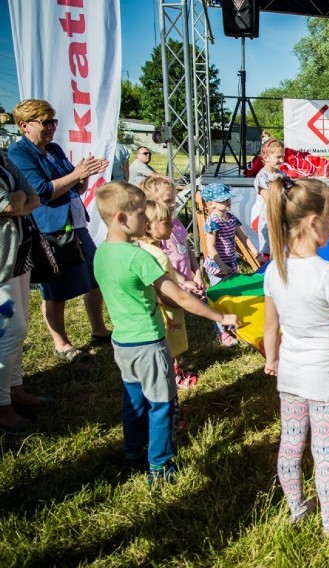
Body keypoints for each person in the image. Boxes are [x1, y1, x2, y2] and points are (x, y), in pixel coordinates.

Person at [93, 181, 238, 483]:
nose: (146, 221)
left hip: (123, 343)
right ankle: (160, 466)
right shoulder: (138, 257)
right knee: (162, 404)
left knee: (134, 401)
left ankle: (133, 453)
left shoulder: (102, 253)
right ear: (121, 218)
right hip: (149, 342)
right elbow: (180, 297)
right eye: (141, 215)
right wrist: (220, 316)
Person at [262, 177, 329, 533]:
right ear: (313, 223)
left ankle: (297, 509)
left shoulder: (273, 270)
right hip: (325, 378)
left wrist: (271, 359)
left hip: (290, 376)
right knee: (325, 452)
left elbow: (270, 328)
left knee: (290, 444)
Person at [7, 99, 111, 362]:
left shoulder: (53, 148)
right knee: (55, 289)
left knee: (95, 277)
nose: (52, 127)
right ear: (24, 125)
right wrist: (77, 174)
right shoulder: (19, 154)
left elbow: (75, 187)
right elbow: (41, 192)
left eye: (54, 121)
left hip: (76, 224)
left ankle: (99, 330)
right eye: (45, 122)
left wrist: (84, 174)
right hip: (49, 229)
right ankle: (62, 344)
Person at [0, 149, 46, 435]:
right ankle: (2, 405)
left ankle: (15, 388)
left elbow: (32, 195)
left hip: (17, 255)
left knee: (22, 325)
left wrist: (16, 200)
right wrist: (15, 200)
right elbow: (7, 203)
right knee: (11, 330)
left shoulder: (3, 157)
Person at [137, 199, 196, 389]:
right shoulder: (159, 256)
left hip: (158, 309)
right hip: (166, 311)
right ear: (148, 227)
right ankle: (174, 378)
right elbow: (162, 293)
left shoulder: (144, 249)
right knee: (171, 346)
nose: (172, 225)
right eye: (166, 222)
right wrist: (185, 301)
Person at [201, 182, 261, 346]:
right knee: (219, 298)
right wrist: (221, 266)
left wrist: (257, 254)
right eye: (222, 200)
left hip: (231, 263)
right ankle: (222, 333)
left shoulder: (231, 218)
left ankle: (233, 324)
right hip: (217, 267)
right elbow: (211, 248)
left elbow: (244, 237)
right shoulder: (213, 221)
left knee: (233, 296)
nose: (227, 201)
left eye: (228, 198)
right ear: (211, 204)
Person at [141, 176, 204, 294]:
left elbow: (187, 250)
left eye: (173, 199)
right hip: (171, 286)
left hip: (188, 283)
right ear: (151, 203)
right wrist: (183, 281)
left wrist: (198, 273)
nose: (173, 204)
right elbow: (162, 264)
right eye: (167, 201)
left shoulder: (176, 223)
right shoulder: (157, 231)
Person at [253, 139, 291, 256]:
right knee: (271, 253)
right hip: (270, 219)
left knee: (283, 251)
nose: (282, 160)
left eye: (283, 156)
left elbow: (292, 193)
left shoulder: (282, 175)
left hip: (283, 218)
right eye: (278, 157)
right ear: (266, 156)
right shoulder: (261, 177)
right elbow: (269, 199)